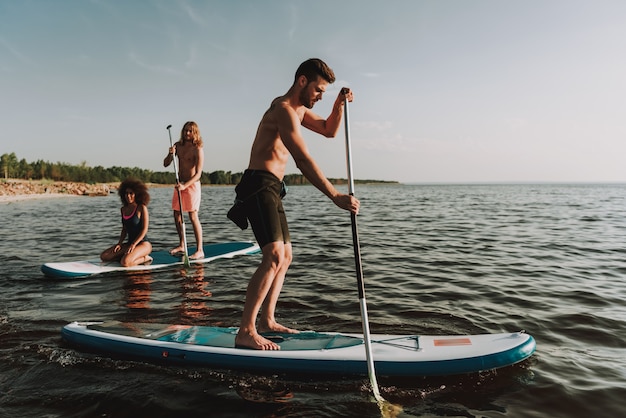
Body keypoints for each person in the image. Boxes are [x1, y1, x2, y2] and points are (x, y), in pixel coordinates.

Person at [228, 58, 360, 350]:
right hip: (258, 183)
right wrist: (335, 196)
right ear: (302, 81)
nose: (320, 96)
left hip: (273, 186)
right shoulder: (283, 109)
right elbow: (302, 159)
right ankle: (246, 330)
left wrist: (338, 104)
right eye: (319, 90)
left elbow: (329, 129)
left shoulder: (298, 111)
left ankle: (267, 321)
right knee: (273, 255)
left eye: (325, 92)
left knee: (285, 256)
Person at [163, 121, 205, 260]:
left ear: (195, 133)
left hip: (191, 185)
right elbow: (165, 164)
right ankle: (182, 244)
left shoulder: (197, 149)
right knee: (177, 215)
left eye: (190, 131)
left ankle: (200, 250)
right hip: (179, 184)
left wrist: (185, 186)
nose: (187, 133)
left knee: (193, 216)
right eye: (185, 130)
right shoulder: (178, 146)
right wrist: (171, 154)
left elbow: (198, 174)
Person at [100, 178, 153, 267]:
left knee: (125, 263)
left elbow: (144, 230)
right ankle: (127, 256)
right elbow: (124, 229)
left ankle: (145, 258)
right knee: (104, 256)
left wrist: (133, 244)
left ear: (137, 194)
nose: (128, 196)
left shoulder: (141, 208)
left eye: (131, 193)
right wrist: (119, 243)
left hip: (143, 244)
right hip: (129, 243)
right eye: (126, 193)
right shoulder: (123, 209)